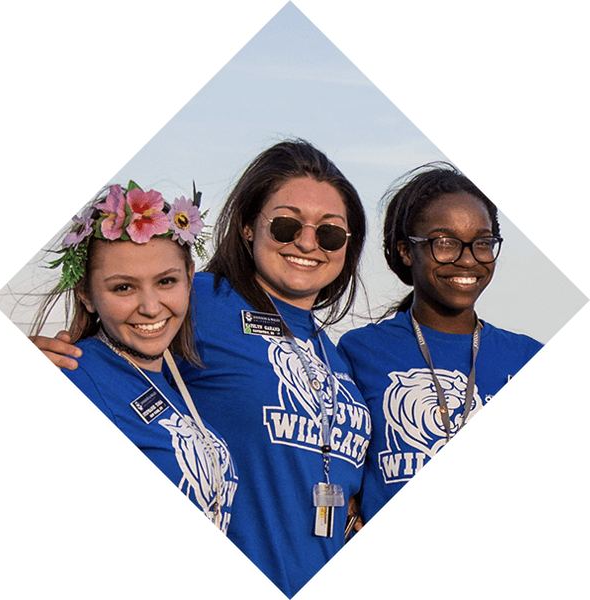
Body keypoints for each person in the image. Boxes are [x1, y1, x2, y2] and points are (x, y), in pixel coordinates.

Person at [31, 140, 371, 599]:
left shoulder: (337, 355)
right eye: (287, 225)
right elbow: (125, 328)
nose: (308, 243)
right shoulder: (201, 300)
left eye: (330, 233)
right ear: (249, 227)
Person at [337, 163, 544, 525]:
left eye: (482, 243)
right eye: (445, 243)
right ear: (405, 250)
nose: (468, 259)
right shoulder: (360, 352)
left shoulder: (526, 354)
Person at [31, 181, 238, 534]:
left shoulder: (172, 381)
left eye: (166, 282)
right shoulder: (78, 375)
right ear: (87, 295)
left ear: (189, 278)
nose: (151, 307)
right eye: (123, 287)